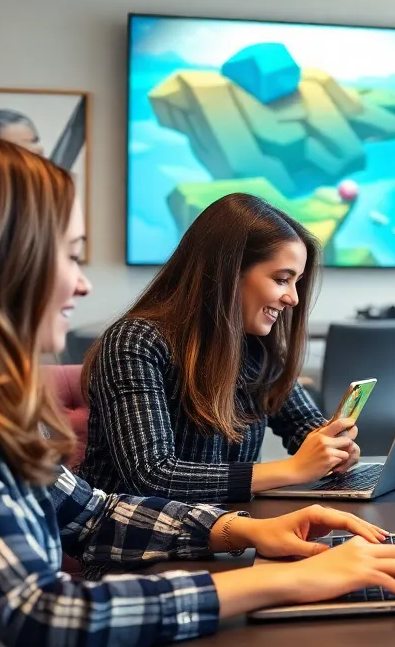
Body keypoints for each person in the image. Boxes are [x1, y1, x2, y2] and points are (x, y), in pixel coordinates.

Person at [0, 131, 395, 647]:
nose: (83, 285)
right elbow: (34, 618)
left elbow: (93, 512)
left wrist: (242, 531)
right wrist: (277, 578)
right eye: (71, 257)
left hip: (192, 553)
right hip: (132, 578)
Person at [78, 193, 360, 504]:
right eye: (282, 280)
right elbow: (152, 475)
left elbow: (301, 425)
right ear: (229, 273)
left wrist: (332, 446)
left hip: (227, 530)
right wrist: (293, 469)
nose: (293, 298)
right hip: (142, 543)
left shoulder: (255, 348)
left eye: (296, 282)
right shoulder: (135, 341)